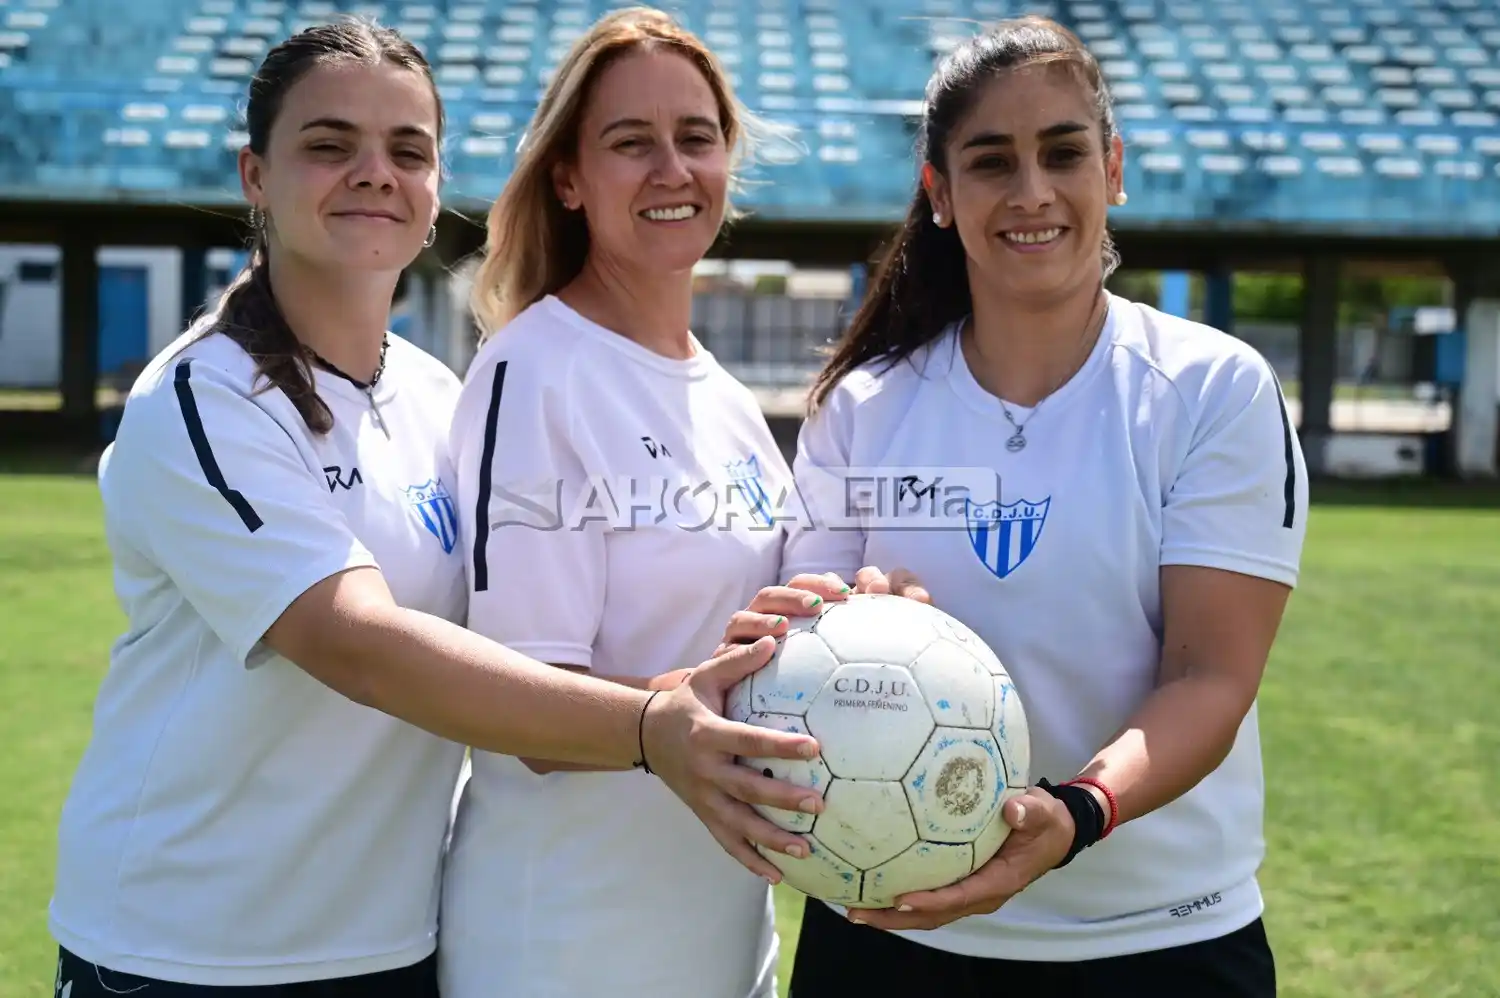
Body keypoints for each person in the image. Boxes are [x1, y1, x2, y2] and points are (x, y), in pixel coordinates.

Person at [46, 18, 826, 998]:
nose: (375, 172)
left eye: (407, 151)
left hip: (391, 942)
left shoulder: (433, 394)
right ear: (254, 175)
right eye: (330, 145)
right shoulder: (202, 399)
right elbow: (358, 642)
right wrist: (652, 723)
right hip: (193, 948)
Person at [776, 15, 1309, 998]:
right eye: (990, 161)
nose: (1031, 193)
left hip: (1158, 943)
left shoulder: (1212, 388)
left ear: (1112, 168)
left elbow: (1210, 675)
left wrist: (1077, 811)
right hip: (895, 934)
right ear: (940, 195)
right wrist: (850, 611)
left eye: (1062, 152)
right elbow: (800, 649)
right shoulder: (862, 406)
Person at [438, 8, 841, 998]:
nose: (672, 168)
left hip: (723, 943)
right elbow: (528, 710)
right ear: (569, 178)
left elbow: (751, 646)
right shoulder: (534, 369)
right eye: (631, 142)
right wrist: (687, 708)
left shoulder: (731, 399)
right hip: (568, 951)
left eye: (696, 138)